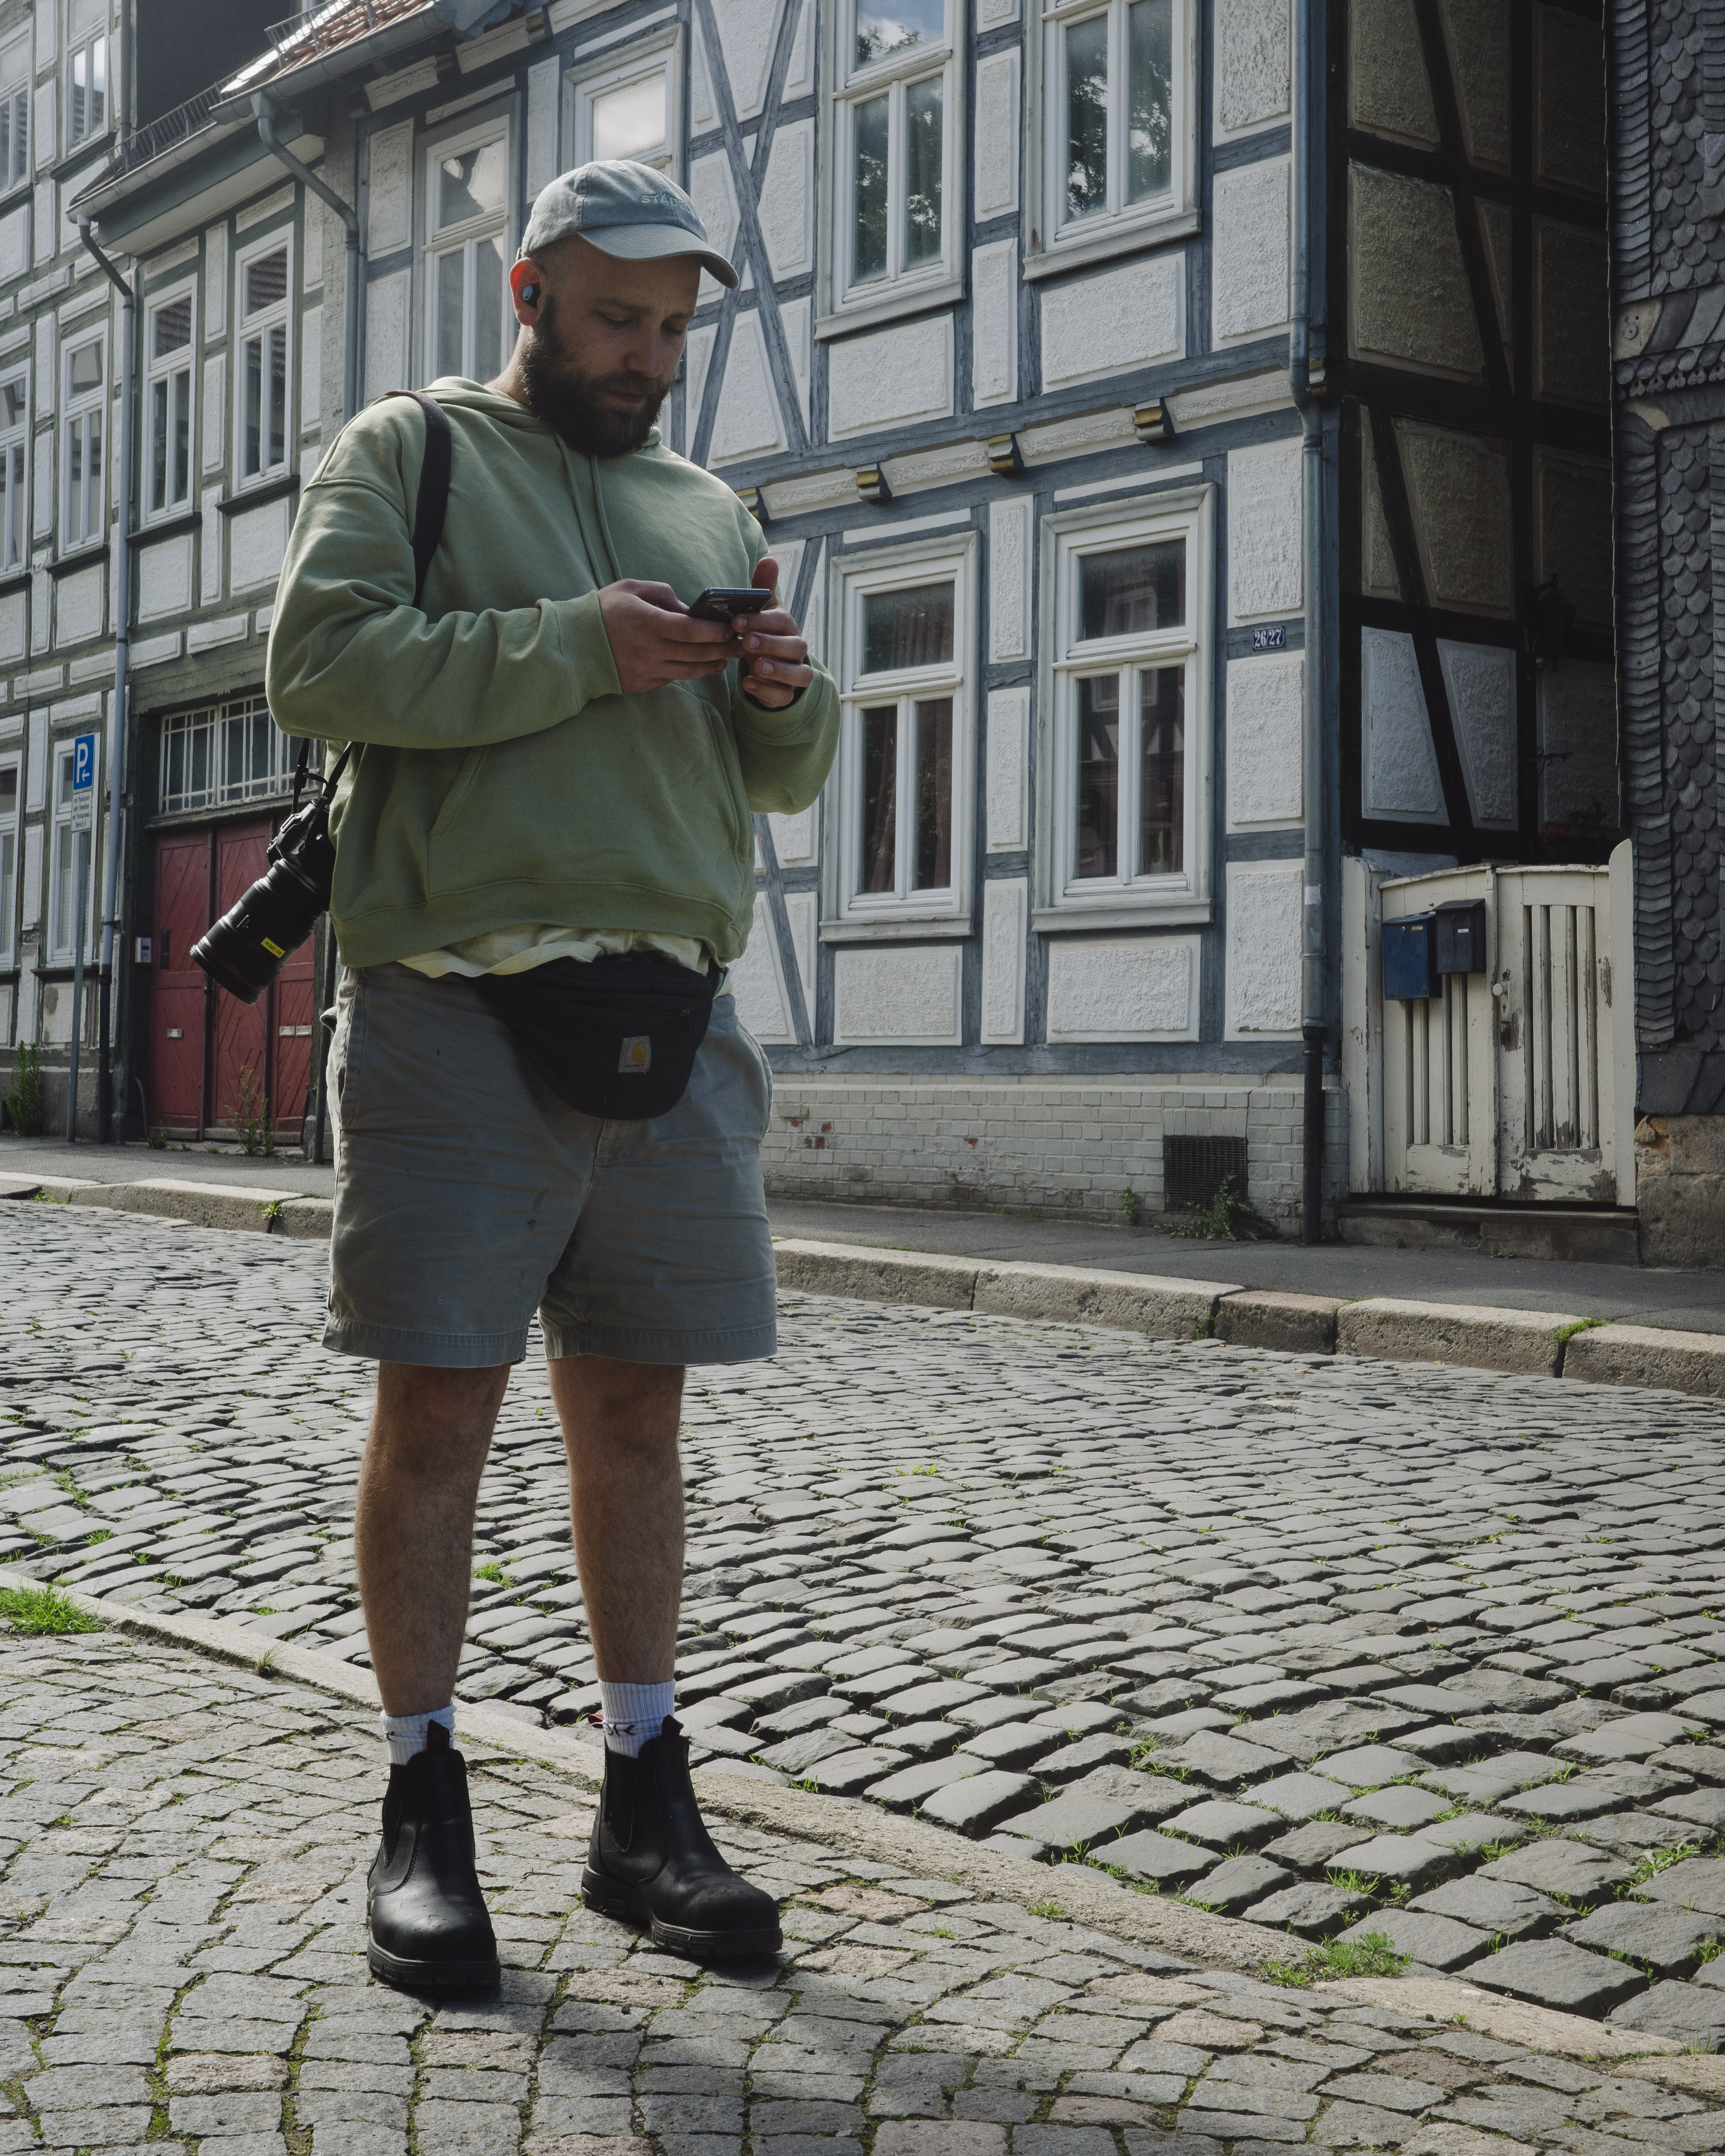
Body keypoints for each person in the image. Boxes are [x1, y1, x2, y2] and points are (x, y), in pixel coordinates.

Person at [267, 160, 839, 1991]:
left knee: (640, 1417)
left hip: (676, 1014)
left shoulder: (704, 499)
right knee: (440, 1409)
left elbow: (778, 776)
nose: (646, 358)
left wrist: (780, 692)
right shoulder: (411, 452)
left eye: (671, 329)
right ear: (528, 294)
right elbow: (318, 666)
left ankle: (641, 1804)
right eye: (614, 320)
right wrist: (575, 645)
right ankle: (420, 1804)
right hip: (454, 1004)